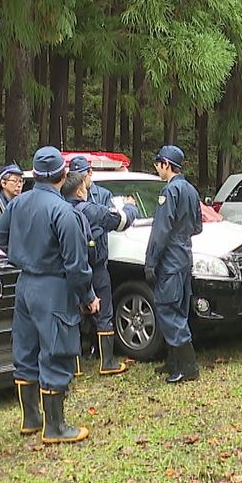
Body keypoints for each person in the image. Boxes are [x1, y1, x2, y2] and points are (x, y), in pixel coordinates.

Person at [0, 147, 99, 444]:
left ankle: (31, 419)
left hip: (25, 285)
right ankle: (55, 427)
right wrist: (89, 296)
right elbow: (77, 266)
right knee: (56, 351)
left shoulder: (18, 203)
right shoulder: (64, 211)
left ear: (34, 174)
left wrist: (23, 256)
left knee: (25, 351)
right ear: (63, 175)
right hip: (53, 287)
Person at [63, 156, 139, 375]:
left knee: (79, 313)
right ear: (78, 187)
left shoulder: (61, 204)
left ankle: (85, 365)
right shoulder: (89, 208)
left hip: (83, 266)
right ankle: (104, 363)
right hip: (88, 265)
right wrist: (130, 207)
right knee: (93, 312)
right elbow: (118, 220)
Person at [144, 145, 203, 383]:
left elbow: (160, 230)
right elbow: (198, 225)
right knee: (179, 308)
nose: (157, 168)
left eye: (158, 164)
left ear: (166, 165)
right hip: (184, 254)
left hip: (169, 258)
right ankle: (174, 361)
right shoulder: (190, 190)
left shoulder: (169, 192)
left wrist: (151, 261)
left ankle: (188, 367)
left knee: (168, 309)